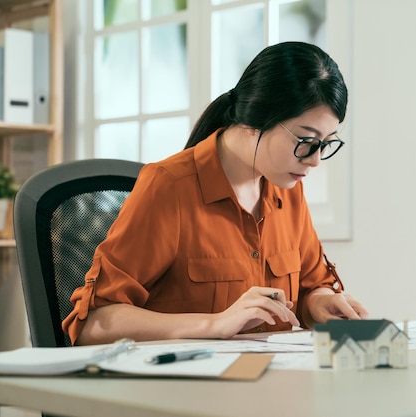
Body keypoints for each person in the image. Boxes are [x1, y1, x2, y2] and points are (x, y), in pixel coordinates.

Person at [62, 41, 369, 345]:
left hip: (270, 385)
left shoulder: (287, 189)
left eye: (326, 144)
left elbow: (310, 287)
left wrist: (318, 302)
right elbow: (93, 323)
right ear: (255, 119)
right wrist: (215, 323)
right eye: (306, 140)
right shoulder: (169, 187)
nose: (315, 159)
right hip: (185, 389)